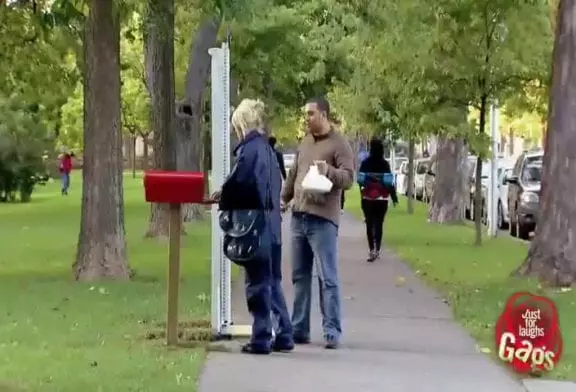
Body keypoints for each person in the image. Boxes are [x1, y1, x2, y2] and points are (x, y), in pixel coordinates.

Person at [210, 99, 293, 355]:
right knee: (273, 281)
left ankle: (261, 337)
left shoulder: (249, 151)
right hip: (273, 225)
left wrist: (222, 195)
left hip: (256, 226)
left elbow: (242, 182)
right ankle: (284, 333)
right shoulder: (269, 150)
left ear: (241, 124)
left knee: (257, 282)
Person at [281, 96, 354, 349]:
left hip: (323, 219)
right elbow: (294, 175)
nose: (307, 119)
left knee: (327, 277)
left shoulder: (339, 144)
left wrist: (328, 172)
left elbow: (348, 179)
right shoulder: (305, 142)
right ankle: (299, 328)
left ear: (323, 114)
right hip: (298, 217)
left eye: (311, 114)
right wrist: (284, 198)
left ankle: (331, 330)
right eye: (306, 114)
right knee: (300, 276)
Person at [357, 138, 398, 262]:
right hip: (381, 199)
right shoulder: (384, 164)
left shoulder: (365, 163)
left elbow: (360, 181)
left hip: (367, 198)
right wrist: (394, 197)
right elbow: (389, 182)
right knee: (379, 223)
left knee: (369, 224)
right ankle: (378, 249)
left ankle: (371, 250)